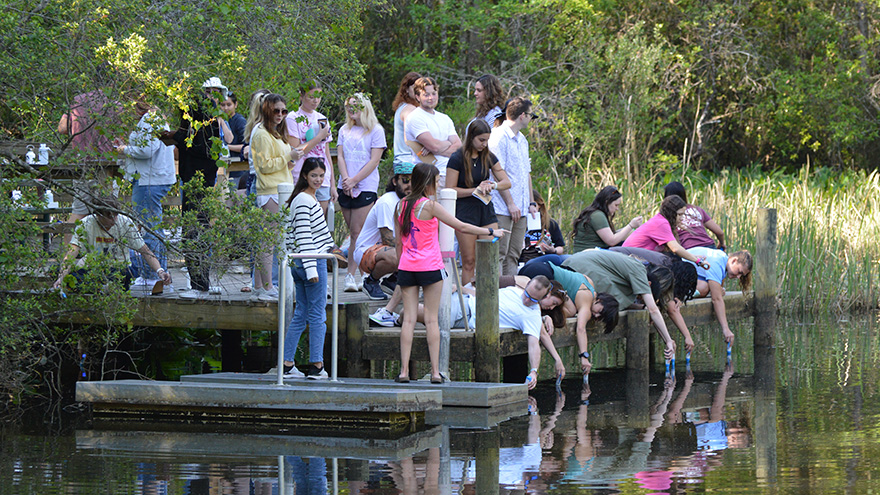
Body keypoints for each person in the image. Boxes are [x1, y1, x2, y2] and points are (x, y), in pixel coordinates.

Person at [395, 163, 505, 384]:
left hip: (407, 266)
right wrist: (491, 230)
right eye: (436, 181)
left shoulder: (400, 205)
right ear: (428, 183)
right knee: (432, 320)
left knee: (408, 320)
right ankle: (436, 372)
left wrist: (402, 264)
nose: (438, 185)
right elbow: (461, 226)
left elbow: (398, 242)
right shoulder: (430, 205)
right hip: (430, 266)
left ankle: (404, 372)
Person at [409, 276, 566, 389]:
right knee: (419, 313)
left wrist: (534, 371)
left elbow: (534, 344)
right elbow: (483, 295)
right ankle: (399, 317)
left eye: (532, 299)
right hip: (466, 306)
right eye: (526, 295)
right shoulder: (512, 291)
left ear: (541, 298)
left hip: (470, 323)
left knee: (420, 314)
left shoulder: (532, 314)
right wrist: (461, 288)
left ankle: (401, 317)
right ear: (526, 287)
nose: (526, 300)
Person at [562, 249, 677, 371]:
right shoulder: (638, 270)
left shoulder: (624, 282)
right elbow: (653, 309)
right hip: (574, 268)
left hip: (575, 264)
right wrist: (668, 340)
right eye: (640, 297)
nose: (638, 299)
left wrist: (666, 339)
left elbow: (621, 302)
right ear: (647, 285)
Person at [282, 157, 337, 379]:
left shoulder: (301, 199)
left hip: (301, 262)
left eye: (322, 176)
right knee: (317, 314)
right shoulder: (304, 200)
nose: (318, 179)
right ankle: (316, 365)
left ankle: (287, 363)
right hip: (310, 261)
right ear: (305, 175)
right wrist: (312, 269)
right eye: (314, 175)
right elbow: (304, 234)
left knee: (302, 312)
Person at [518, 254, 619, 374]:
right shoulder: (587, 301)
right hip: (544, 276)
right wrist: (584, 356)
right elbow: (581, 329)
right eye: (600, 312)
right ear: (600, 300)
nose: (596, 315)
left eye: (600, 317)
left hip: (538, 267)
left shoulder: (589, 283)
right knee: (569, 311)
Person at [114, 101, 175, 289]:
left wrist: (124, 150)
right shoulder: (154, 120)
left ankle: (151, 276)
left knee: (149, 228)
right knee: (151, 227)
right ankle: (155, 273)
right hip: (152, 178)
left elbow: (146, 151)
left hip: (150, 180)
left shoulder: (150, 120)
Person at [173, 82, 226, 299]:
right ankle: (201, 281)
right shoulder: (212, 117)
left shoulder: (193, 114)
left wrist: (170, 135)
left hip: (195, 177)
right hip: (206, 177)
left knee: (193, 228)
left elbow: (184, 139)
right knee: (202, 225)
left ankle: (198, 283)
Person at [445, 119, 511, 285]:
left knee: (488, 258)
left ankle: (487, 296)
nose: (484, 144)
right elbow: (450, 190)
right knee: (469, 261)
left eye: (487, 140)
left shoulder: (488, 156)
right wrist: (475, 191)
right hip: (465, 211)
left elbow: (506, 182)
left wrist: (492, 185)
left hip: (485, 209)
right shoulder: (457, 158)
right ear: (471, 137)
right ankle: (469, 299)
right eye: (481, 140)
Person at [52, 199, 172, 291]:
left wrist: (160, 271)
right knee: (58, 272)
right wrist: (61, 277)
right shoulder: (86, 223)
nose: (114, 219)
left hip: (119, 269)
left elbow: (145, 251)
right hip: (94, 269)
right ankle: (100, 287)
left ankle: (99, 288)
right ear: (98, 215)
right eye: (109, 216)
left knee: (125, 275)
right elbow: (72, 252)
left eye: (115, 215)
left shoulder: (125, 222)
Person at [251, 93, 302, 302]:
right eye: (276, 111)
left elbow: (281, 163)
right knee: (268, 241)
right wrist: (288, 157)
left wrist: (291, 159)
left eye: (284, 111)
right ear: (266, 110)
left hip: (282, 189)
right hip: (270, 191)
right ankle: (267, 286)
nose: (280, 115)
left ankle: (258, 285)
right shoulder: (262, 134)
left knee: (269, 239)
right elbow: (264, 166)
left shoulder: (277, 133)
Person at [57, 84, 121, 245]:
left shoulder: (78, 101)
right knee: (108, 211)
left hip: (81, 163)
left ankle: (66, 255)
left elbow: (62, 128)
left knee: (79, 211)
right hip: (106, 167)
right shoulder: (115, 104)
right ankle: (107, 256)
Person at [337, 93, 386, 292]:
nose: (351, 109)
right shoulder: (344, 129)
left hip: (365, 186)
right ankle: (359, 274)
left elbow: (374, 160)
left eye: (355, 105)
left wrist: (355, 180)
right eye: (348, 105)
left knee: (358, 233)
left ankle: (355, 275)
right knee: (352, 233)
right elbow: (340, 155)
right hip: (345, 185)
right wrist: (346, 179)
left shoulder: (376, 130)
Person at [611, 246, 699, 352]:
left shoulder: (664, 265)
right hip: (611, 259)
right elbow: (670, 308)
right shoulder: (662, 268)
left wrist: (668, 340)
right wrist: (687, 337)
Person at [489, 96, 538, 276]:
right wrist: (510, 203)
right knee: (499, 253)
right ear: (522, 116)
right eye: (531, 115)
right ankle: (495, 298)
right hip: (503, 207)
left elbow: (526, 172)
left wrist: (531, 203)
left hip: (522, 207)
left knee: (514, 254)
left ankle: (509, 294)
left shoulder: (522, 140)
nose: (531, 119)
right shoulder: (498, 137)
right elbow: (496, 172)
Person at [355, 162, 413, 306]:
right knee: (398, 255)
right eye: (405, 180)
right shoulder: (388, 201)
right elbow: (387, 238)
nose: (410, 185)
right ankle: (371, 281)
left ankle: (392, 280)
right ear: (395, 181)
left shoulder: (409, 202)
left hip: (387, 249)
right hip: (367, 250)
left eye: (414, 180)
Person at [287, 80, 338, 219]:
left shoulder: (322, 119)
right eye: (311, 97)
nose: (315, 101)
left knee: (319, 222)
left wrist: (332, 184)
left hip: (322, 177)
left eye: (318, 97)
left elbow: (326, 154)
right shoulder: (294, 118)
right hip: (301, 176)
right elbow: (295, 150)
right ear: (301, 96)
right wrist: (318, 137)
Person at [622, 195, 712, 271]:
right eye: (680, 215)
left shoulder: (661, 220)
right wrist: (698, 261)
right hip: (630, 260)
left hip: (637, 259)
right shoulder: (661, 223)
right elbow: (675, 249)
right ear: (671, 213)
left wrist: (694, 256)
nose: (682, 218)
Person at [687, 247, 753, 344]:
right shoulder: (717, 263)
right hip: (675, 268)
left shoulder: (722, 259)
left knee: (707, 287)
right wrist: (726, 329)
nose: (738, 277)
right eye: (739, 272)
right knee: (704, 288)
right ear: (734, 260)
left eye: (741, 275)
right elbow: (717, 299)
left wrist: (716, 290)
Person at [403, 76, 461, 187]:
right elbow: (434, 146)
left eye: (434, 93)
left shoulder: (445, 118)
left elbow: (458, 146)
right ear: (417, 97)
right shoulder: (415, 117)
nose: (431, 98)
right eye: (426, 95)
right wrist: (447, 143)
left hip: (450, 175)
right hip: (428, 177)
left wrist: (436, 148)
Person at [570, 186, 643, 252]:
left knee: (631, 234)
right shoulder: (597, 215)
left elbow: (611, 235)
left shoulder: (594, 212)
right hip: (589, 254)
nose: (617, 209)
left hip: (590, 252)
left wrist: (631, 228)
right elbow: (611, 241)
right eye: (616, 205)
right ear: (607, 202)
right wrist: (630, 226)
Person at [663, 181, 726, 250]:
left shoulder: (666, 214)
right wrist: (721, 243)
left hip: (689, 250)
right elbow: (720, 232)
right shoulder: (697, 209)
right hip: (709, 247)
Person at [518, 189, 566, 263]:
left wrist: (553, 250)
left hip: (546, 257)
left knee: (566, 258)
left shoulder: (550, 223)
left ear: (539, 205)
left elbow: (560, 247)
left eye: (533, 205)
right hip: (525, 259)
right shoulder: (517, 223)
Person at [391, 71, 421, 168]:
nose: (418, 91)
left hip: (403, 162)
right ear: (407, 90)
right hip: (408, 162)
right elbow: (410, 139)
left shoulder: (403, 107)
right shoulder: (409, 109)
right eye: (415, 88)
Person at [220, 91, 248, 189]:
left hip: (237, 170)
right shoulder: (220, 120)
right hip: (222, 169)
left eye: (229, 104)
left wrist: (226, 147)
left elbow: (245, 146)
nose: (226, 108)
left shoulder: (239, 121)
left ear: (235, 105)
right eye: (223, 105)